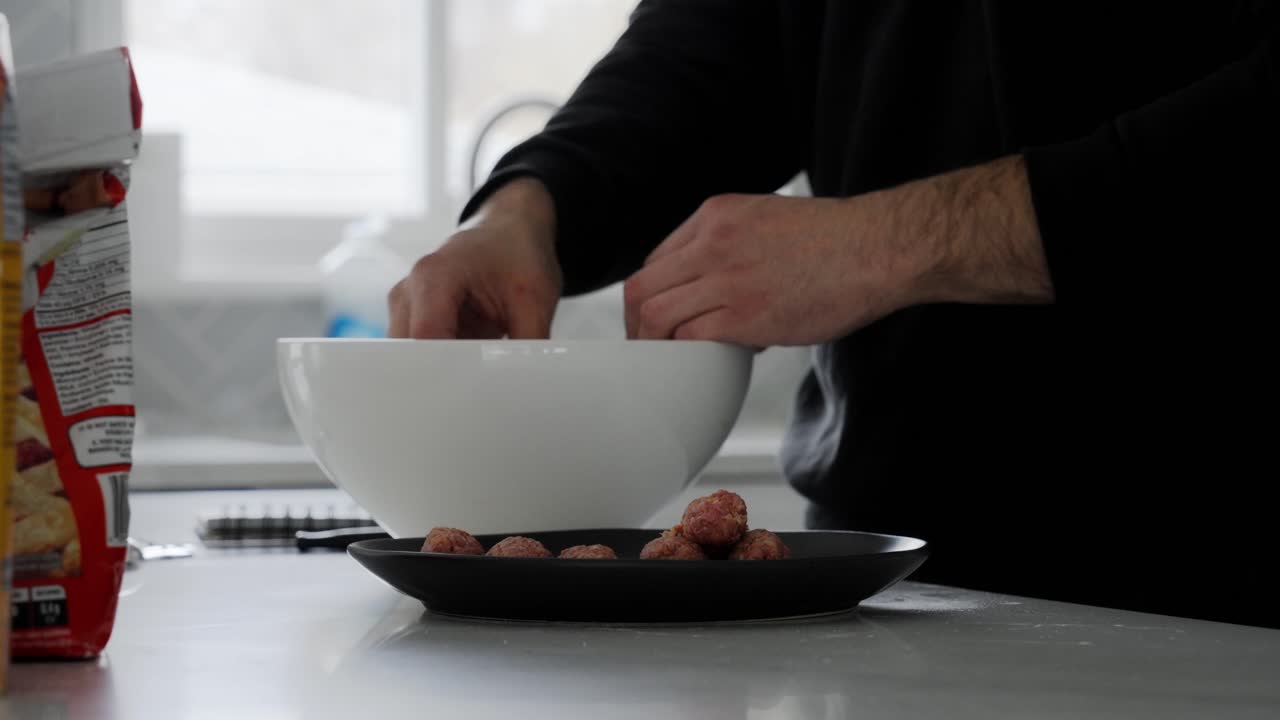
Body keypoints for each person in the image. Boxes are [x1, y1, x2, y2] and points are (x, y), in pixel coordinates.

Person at [390, 2, 1278, 627]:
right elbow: (717, 44)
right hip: (897, 585)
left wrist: (895, 240)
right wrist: (529, 204)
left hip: (1225, 579)